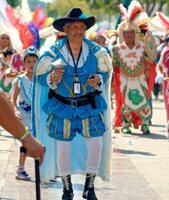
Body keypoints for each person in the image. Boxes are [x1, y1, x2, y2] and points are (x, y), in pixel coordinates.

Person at [32, 7, 112, 200]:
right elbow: (40, 77)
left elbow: (106, 74)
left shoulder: (96, 52)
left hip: (88, 104)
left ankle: (89, 186)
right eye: (74, 27)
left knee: (96, 145)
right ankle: (67, 189)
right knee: (63, 148)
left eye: (82, 26)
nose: (78, 30)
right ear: (66, 30)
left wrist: (98, 80)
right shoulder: (53, 52)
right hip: (62, 106)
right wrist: (52, 77)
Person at [112, 19, 156, 135]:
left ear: (136, 33)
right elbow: (114, 66)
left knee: (144, 102)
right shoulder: (116, 49)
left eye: (131, 32)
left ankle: (145, 124)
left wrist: (149, 58)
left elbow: (150, 61)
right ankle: (126, 125)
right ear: (122, 34)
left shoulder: (142, 47)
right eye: (126, 32)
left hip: (141, 79)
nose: (129, 35)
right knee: (126, 103)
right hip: (124, 79)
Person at [10, 45, 38, 181]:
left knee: (41, 142)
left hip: (37, 117)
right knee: (26, 143)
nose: (31, 64)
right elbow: (13, 99)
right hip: (24, 117)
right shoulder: (20, 80)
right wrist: (15, 111)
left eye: (34, 61)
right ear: (24, 63)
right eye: (28, 62)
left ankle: (45, 170)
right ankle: (20, 169)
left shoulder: (40, 80)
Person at [0, 95, 45, 164]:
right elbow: (12, 100)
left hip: (31, 121)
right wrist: (25, 137)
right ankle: (21, 167)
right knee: (24, 145)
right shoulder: (20, 84)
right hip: (24, 120)